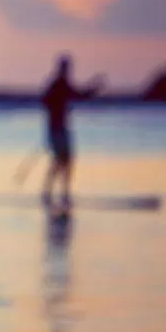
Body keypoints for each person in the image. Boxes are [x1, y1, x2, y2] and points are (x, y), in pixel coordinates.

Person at [40, 53, 105, 213]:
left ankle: (62, 193)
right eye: (66, 68)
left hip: (62, 129)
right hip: (55, 129)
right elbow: (46, 101)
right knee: (59, 160)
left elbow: (80, 95)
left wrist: (94, 88)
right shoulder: (56, 85)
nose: (68, 71)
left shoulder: (63, 85)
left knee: (66, 160)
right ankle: (49, 192)